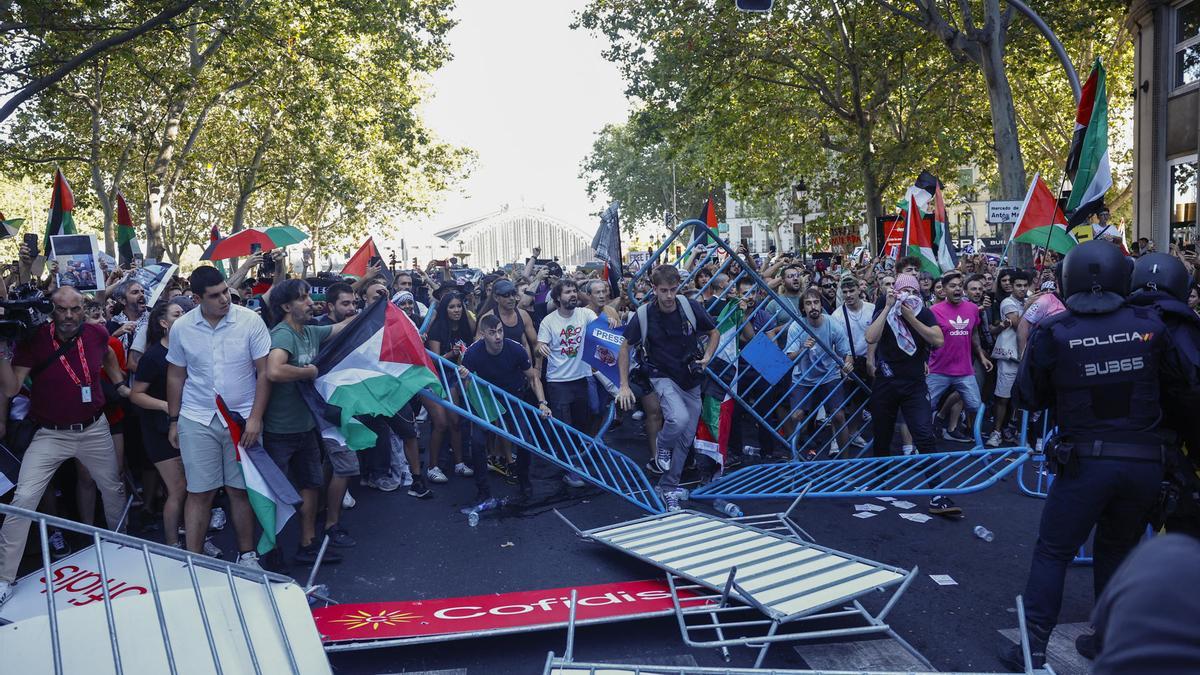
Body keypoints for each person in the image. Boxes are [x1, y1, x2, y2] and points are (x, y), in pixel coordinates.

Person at [998, 241, 1183, 671]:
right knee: (1117, 551)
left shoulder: (1055, 330)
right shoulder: (1153, 325)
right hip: (1143, 462)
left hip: (1085, 460)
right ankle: (1108, 639)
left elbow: (1028, 396)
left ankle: (1036, 644)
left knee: (1053, 551)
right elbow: (1180, 389)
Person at [0, 286, 131, 607]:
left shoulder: (97, 333)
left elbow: (111, 353)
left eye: (76, 309)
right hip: (50, 434)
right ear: (51, 310)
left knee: (112, 490)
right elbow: (12, 388)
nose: (70, 316)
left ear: (84, 309)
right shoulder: (35, 340)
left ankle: (123, 551)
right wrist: (2, 350)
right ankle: (4, 578)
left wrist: (118, 383)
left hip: (94, 427)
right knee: (24, 499)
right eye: (62, 309)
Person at [166, 266, 269, 568]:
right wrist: (173, 420)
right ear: (197, 298)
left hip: (241, 420)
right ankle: (195, 561)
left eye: (225, 291)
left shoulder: (250, 321)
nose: (224, 298)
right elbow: (175, 376)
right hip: (197, 417)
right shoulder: (182, 327)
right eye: (215, 295)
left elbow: (264, 374)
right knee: (199, 492)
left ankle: (248, 556)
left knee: (240, 490)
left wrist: (255, 418)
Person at [263, 279, 352, 565]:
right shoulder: (283, 334)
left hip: (305, 427)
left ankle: (307, 545)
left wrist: (379, 309)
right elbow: (274, 371)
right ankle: (270, 549)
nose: (310, 302)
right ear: (287, 307)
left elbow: (344, 327)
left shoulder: (310, 332)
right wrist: (308, 372)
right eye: (302, 298)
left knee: (311, 485)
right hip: (279, 430)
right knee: (274, 494)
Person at [616, 265, 718, 510]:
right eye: (664, 290)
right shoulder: (644, 314)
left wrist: (707, 358)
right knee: (678, 419)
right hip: (661, 375)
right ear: (654, 290)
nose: (669, 296)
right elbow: (624, 346)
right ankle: (661, 448)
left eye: (673, 290)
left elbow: (713, 332)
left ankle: (669, 486)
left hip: (690, 377)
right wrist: (623, 385)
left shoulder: (689, 306)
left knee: (685, 439)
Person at [863, 274, 955, 515]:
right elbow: (870, 337)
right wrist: (887, 309)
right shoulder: (885, 306)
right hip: (887, 381)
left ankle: (937, 491)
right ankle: (880, 479)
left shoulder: (921, 311)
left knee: (924, 434)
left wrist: (910, 317)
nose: (907, 297)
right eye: (902, 291)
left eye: (912, 292)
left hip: (914, 384)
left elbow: (938, 340)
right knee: (882, 434)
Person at [130, 297, 209, 552]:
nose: (184, 316)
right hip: (159, 430)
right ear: (164, 323)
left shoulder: (191, 347)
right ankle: (173, 546)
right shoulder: (153, 356)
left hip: (190, 425)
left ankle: (196, 540)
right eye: (177, 314)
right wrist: (167, 406)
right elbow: (136, 394)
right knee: (178, 489)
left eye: (185, 312)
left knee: (196, 488)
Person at [459, 314, 551, 503]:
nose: (498, 337)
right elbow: (466, 386)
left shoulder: (515, 349)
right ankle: (483, 490)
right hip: (486, 398)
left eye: (500, 331)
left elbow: (533, 376)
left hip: (512, 397)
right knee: (477, 442)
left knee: (525, 440)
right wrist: (465, 377)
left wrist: (542, 402)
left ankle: (524, 481)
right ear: (483, 334)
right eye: (492, 333)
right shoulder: (472, 353)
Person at [536, 279, 598, 488]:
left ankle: (577, 462)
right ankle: (570, 469)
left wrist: (613, 320)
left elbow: (601, 326)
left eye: (574, 291)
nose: (573, 294)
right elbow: (540, 345)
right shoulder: (548, 321)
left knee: (582, 423)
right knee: (564, 426)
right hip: (558, 382)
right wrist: (541, 348)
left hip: (581, 379)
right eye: (568, 292)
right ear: (557, 298)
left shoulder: (585, 314)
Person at [783, 288, 853, 455]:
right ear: (803, 308)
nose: (813, 306)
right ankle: (796, 457)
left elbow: (847, 353)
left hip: (829, 376)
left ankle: (847, 461)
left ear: (821, 305)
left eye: (816, 302)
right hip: (803, 378)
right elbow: (789, 357)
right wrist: (802, 349)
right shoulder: (796, 326)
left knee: (838, 416)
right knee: (796, 416)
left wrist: (847, 366)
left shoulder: (833, 324)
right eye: (808, 303)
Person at [926, 271, 991, 442]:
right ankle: (922, 444)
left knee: (976, 406)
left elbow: (974, 333)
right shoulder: (933, 311)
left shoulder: (972, 309)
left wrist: (981, 356)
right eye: (952, 286)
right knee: (924, 407)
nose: (957, 289)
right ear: (944, 290)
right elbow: (926, 339)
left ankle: (978, 442)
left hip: (964, 370)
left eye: (959, 286)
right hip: (938, 369)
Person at [425, 290, 474, 482]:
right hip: (438, 378)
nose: (456, 310)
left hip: (458, 377)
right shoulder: (437, 329)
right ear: (445, 309)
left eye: (459, 306)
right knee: (442, 424)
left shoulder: (465, 327)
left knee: (456, 422)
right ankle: (432, 467)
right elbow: (435, 361)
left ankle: (459, 463)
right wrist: (452, 354)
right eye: (452, 307)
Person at [987, 270, 1030, 447]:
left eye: (1025, 285)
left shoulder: (1028, 301)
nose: (1022, 289)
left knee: (1021, 399)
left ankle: (1014, 431)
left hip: (1025, 358)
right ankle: (995, 433)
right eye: (1018, 285)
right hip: (1009, 358)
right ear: (1011, 287)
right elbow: (1018, 325)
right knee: (1002, 397)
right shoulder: (1007, 302)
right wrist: (1030, 306)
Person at [835, 275, 874, 447]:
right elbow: (835, 342)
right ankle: (837, 440)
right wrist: (842, 365)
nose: (849, 295)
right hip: (849, 362)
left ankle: (854, 432)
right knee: (843, 402)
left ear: (859, 290)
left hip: (871, 360)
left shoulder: (871, 309)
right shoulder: (837, 315)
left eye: (852, 291)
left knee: (863, 401)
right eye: (845, 292)